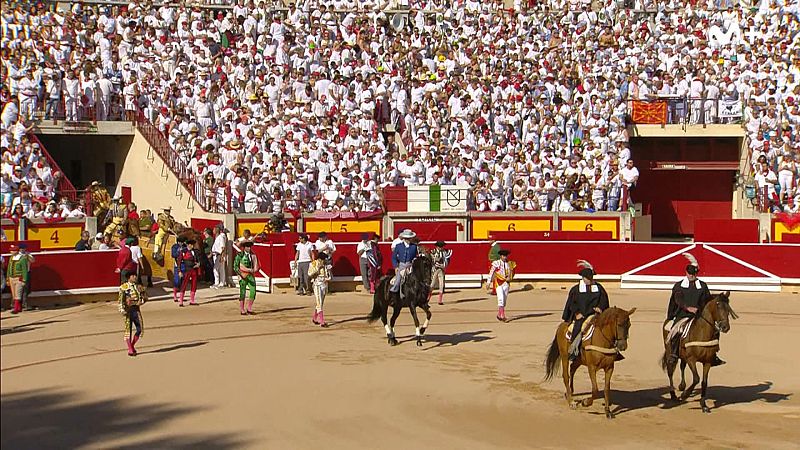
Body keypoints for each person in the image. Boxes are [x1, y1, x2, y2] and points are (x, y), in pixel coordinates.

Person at [666, 253, 723, 366]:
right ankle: (674, 354)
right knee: (676, 332)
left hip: (699, 316)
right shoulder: (679, 286)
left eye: (693, 274)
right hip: (682, 315)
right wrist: (688, 308)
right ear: (686, 273)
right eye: (690, 273)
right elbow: (678, 300)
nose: (691, 276)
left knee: (715, 330)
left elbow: (707, 299)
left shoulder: (702, 285)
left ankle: (713, 354)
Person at [562, 260, 610, 360]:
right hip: (582, 315)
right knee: (578, 327)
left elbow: (604, 300)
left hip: (595, 314)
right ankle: (573, 350)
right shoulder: (576, 289)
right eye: (586, 278)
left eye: (589, 278)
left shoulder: (599, 287)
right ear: (583, 278)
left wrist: (600, 308)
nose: (588, 280)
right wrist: (577, 313)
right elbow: (572, 303)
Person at [118, 270, 146, 357]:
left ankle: (132, 345)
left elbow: (145, 297)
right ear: (129, 277)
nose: (135, 277)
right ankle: (130, 349)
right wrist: (122, 310)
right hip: (128, 310)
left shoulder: (139, 286)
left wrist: (141, 301)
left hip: (136, 309)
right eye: (133, 275)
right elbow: (120, 300)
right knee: (128, 330)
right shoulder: (123, 287)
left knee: (140, 329)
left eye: (135, 275)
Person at [488, 249, 516, 322]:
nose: (505, 257)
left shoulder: (510, 263)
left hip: (506, 283)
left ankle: (499, 315)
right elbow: (491, 272)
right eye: (503, 256)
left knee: (504, 300)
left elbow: (513, 272)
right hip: (499, 282)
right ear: (500, 256)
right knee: (501, 298)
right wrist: (488, 282)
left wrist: (510, 278)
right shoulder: (496, 263)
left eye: (506, 256)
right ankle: (503, 316)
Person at [390, 229, 418, 298]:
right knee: (398, 281)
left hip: (410, 266)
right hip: (401, 266)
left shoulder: (414, 246)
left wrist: (414, 260)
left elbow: (415, 256)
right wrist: (396, 267)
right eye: (407, 238)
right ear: (405, 238)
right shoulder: (398, 246)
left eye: (410, 238)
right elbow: (394, 257)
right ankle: (393, 296)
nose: (409, 240)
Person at [234, 241, 260, 315]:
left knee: (253, 291)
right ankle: (242, 309)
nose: (248, 248)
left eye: (249, 246)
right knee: (243, 292)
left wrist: (255, 269)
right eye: (247, 246)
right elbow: (235, 267)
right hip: (242, 275)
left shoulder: (253, 255)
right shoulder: (240, 255)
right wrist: (240, 274)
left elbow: (256, 266)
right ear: (244, 247)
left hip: (250, 275)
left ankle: (249, 308)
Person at [308, 250, 332, 327]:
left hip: (324, 284)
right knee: (319, 302)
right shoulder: (314, 263)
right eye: (324, 259)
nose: (326, 260)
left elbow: (330, 275)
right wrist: (318, 268)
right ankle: (322, 321)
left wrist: (328, 278)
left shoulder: (326, 265)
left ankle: (315, 318)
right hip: (317, 284)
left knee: (320, 303)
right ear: (320, 259)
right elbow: (309, 274)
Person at [6, 245, 30, 314]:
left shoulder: (22, 258)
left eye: (12, 250)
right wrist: (8, 278)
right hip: (11, 277)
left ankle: (16, 309)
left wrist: (24, 279)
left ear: (16, 251)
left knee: (18, 293)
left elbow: (24, 270)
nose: (11, 251)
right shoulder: (11, 258)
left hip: (19, 278)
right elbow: (9, 268)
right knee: (14, 294)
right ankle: (19, 308)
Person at [177, 239, 201, 307]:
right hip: (186, 270)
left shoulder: (195, 252)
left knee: (194, 284)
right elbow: (179, 262)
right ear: (188, 245)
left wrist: (198, 264)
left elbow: (198, 260)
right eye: (191, 244)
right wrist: (179, 271)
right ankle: (181, 301)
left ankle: (192, 300)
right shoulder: (183, 251)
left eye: (192, 245)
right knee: (184, 284)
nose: (192, 246)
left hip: (194, 269)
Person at [429, 241, 452, 305]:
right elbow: (430, 260)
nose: (441, 247)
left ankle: (440, 300)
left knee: (441, 285)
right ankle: (428, 299)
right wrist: (435, 259)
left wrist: (444, 266)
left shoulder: (445, 252)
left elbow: (447, 260)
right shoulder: (433, 252)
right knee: (432, 285)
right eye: (439, 246)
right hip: (435, 270)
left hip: (441, 270)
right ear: (437, 246)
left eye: (442, 246)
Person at [211, 224, 229, 289]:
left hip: (219, 254)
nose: (213, 230)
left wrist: (222, 256)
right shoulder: (218, 237)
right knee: (221, 269)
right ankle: (221, 283)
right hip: (217, 254)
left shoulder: (221, 237)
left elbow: (223, 247)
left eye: (214, 229)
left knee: (215, 269)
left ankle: (217, 282)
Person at [18, 244, 34, 311]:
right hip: (19, 273)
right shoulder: (17, 255)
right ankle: (18, 305)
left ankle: (24, 304)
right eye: (22, 248)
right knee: (19, 289)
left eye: (24, 248)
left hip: (27, 273)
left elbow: (33, 261)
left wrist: (27, 256)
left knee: (27, 289)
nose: (23, 249)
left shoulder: (28, 254)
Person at [170, 236, 187, 302]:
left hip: (184, 265)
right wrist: (179, 252)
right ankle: (175, 296)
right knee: (177, 280)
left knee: (183, 281)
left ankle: (181, 296)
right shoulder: (175, 247)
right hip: (177, 265)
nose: (182, 243)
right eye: (181, 242)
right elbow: (173, 255)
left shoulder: (185, 247)